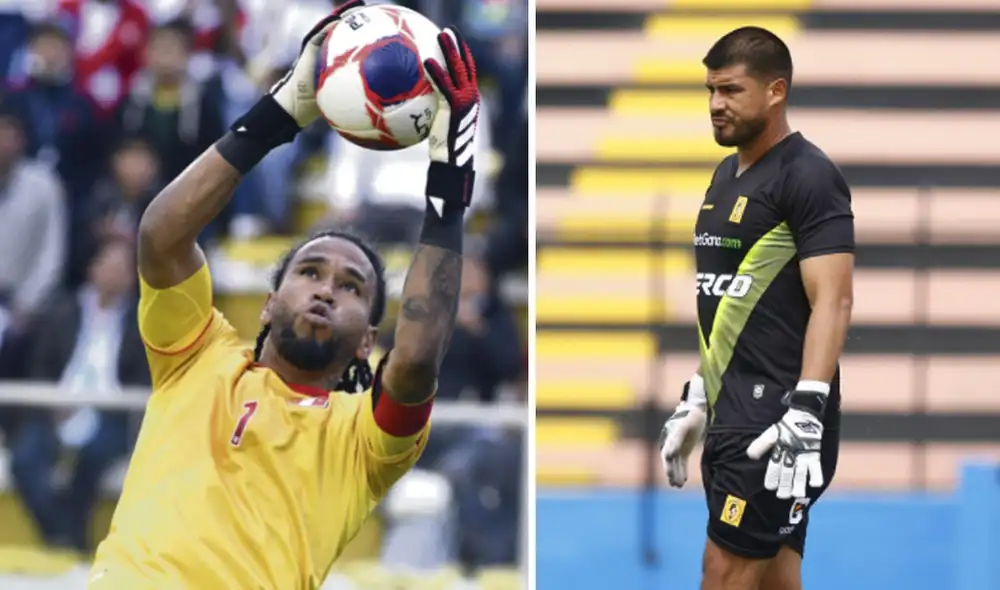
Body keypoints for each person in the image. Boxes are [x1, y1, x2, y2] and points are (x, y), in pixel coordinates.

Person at [87, 1, 482, 587]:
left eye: (351, 287)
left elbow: (418, 357)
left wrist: (449, 186)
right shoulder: (196, 356)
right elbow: (161, 238)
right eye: (310, 272)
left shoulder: (363, 441)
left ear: (368, 341)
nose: (326, 290)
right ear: (268, 303)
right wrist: (279, 112)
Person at [658, 27, 854, 590]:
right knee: (775, 580)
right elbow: (732, 305)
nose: (717, 105)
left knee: (720, 575)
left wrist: (806, 409)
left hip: (777, 423)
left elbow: (834, 300)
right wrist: (699, 395)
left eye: (731, 91)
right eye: (711, 91)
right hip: (730, 412)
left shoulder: (809, 176)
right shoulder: (725, 177)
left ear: (776, 91)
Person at [9, 238, 148, 554]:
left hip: (111, 412)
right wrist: (56, 400)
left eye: (122, 268)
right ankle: (66, 539)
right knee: (24, 459)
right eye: (109, 265)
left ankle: (65, 541)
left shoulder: (141, 322)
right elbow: (40, 366)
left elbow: (142, 379)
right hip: (57, 406)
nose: (114, 274)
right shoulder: (63, 311)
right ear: (93, 268)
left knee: (93, 461)